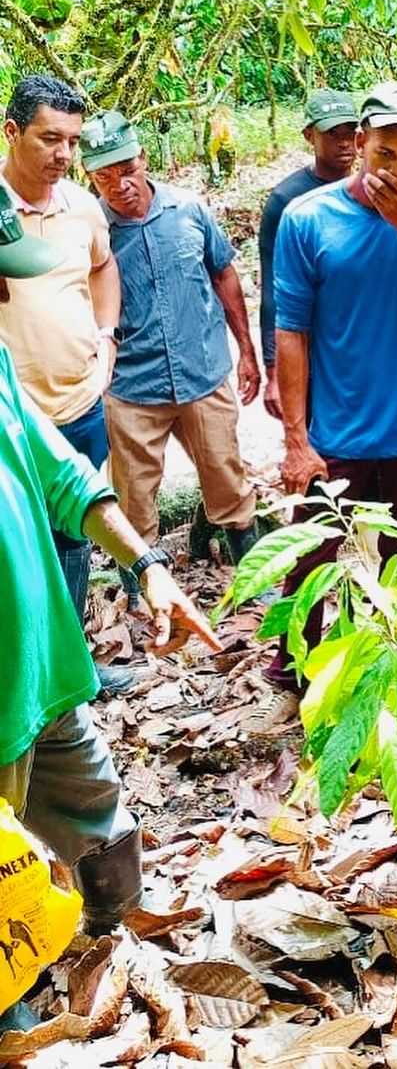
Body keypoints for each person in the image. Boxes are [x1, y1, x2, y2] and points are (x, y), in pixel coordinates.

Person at [0, 201, 220, 1030]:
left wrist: (150, 564)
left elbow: (63, 477)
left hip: (44, 670)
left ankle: (107, 952)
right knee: (6, 912)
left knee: (104, 832)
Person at [269, 81, 397, 688]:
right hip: (335, 431)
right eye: (387, 155)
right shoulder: (306, 219)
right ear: (359, 144)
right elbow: (292, 333)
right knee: (310, 560)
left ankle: (395, 667)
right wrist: (296, 440)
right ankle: (293, 666)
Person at [81, 111, 261, 568]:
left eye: (127, 169)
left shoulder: (188, 210)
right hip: (131, 388)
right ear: (89, 177)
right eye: (104, 176)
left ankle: (254, 574)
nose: (119, 184)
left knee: (227, 477)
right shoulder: (89, 231)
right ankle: (140, 592)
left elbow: (223, 274)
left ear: (143, 158)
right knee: (134, 499)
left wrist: (246, 350)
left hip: (202, 371)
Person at [0, 74, 126, 694]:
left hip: (78, 405)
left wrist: (107, 337)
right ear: (12, 132)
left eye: (73, 141)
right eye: (50, 138)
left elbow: (104, 268)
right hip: (13, 420)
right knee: (16, 548)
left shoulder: (80, 206)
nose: (64, 155)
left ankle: (73, 669)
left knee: (75, 536)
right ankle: (26, 679)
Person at [258, 90, 360, 419]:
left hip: (360, 348)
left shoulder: (373, 192)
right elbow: (273, 291)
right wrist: (273, 369)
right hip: (309, 349)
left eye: (350, 133)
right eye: (333, 134)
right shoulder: (288, 200)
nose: (345, 143)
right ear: (309, 136)